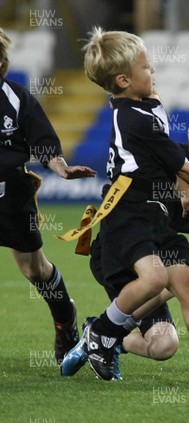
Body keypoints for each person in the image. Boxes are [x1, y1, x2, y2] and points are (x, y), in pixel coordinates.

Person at [79, 27, 189, 386]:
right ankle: (100, 332)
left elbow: (169, 161)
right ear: (124, 79)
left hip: (155, 213)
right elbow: (179, 165)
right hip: (128, 213)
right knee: (157, 278)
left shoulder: (148, 106)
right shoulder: (132, 118)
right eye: (146, 67)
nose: (153, 71)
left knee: (188, 283)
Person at [61, 183, 189, 379]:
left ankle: (105, 335)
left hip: (155, 250)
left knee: (165, 346)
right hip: (121, 254)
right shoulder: (159, 169)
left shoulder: (179, 176)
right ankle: (104, 333)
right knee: (170, 281)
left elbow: (179, 220)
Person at [0, 27, 97, 364]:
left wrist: (60, 167)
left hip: (11, 197)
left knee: (34, 270)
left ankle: (64, 320)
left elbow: (42, 142)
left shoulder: (17, 99)